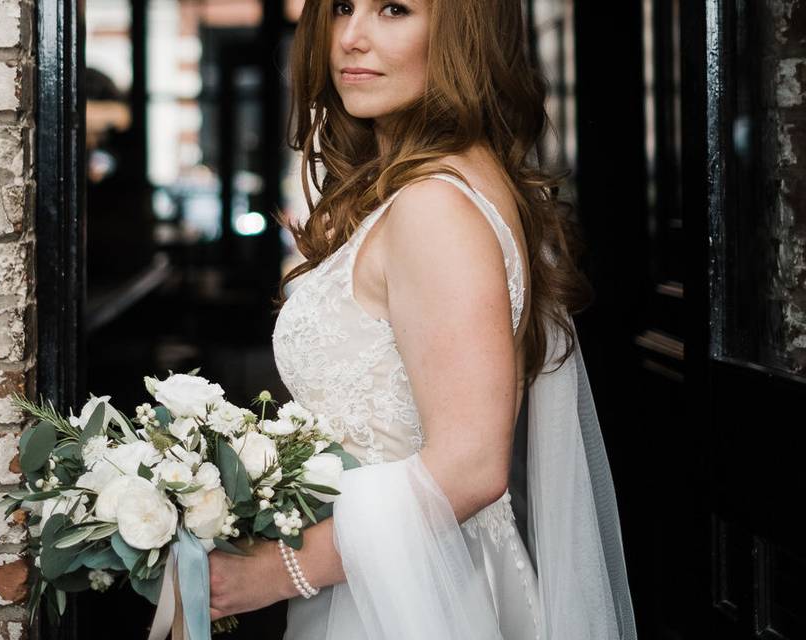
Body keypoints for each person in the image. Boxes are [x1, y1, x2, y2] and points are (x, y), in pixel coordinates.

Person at [206, 1, 638, 638]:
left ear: (460, 32)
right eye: (344, 7)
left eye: (394, 9)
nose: (350, 38)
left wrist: (278, 572)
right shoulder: (448, 180)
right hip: (398, 569)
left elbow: (470, 467)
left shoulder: (434, 206)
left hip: (409, 597)